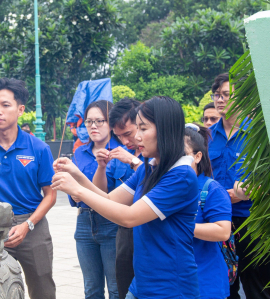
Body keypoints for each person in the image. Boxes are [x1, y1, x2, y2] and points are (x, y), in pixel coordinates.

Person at [52, 96, 200, 298]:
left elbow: (129, 217)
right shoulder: (149, 168)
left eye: (143, 128)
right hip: (142, 283)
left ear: (166, 129)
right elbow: (110, 199)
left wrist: (77, 191)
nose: (136, 138)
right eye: (136, 129)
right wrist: (76, 175)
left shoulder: (181, 175)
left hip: (170, 287)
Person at [0, 78, 56, 299]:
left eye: (5, 105)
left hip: (32, 226)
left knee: (43, 288)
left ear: (20, 109)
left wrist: (28, 225)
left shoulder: (38, 148)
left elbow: (51, 195)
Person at [208, 73, 270, 299]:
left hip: (252, 222)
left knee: (259, 284)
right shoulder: (207, 136)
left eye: (226, 94)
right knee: (225, 287)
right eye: (216, 95)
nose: (220, 99)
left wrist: (251, 191)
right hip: (218, 221)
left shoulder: (259, 135)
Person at [66, 100, 121, 299]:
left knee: (116, 288)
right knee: (91, 289)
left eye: (100, 121)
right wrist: (72, 192)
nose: (93, 126)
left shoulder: (121, 151)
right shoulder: (80, 151)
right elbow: (73, 187)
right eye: (89, 122)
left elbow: (113, 195)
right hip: (84, 221)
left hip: (112, 222)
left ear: (111, 123)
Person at [92, 97, 143, 299]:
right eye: (119, 136)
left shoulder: (155, 159)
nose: (126, 142)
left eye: (128, 134)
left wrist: (132, 160)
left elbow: (153, 179)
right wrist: (77, 179)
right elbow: (108, 198)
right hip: (126, 235)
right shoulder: (122, 155)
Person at [185, 123, 232, 299]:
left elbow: (222, 231)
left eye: (183, 155)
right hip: (172, 282)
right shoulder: (165, 188)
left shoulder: (211, 189)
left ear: (197, 156)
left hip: (205, 282)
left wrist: (180, 225)